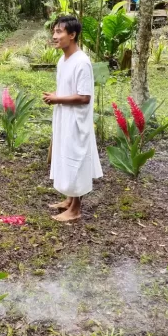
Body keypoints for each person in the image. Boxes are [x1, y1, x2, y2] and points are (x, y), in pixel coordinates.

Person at [43, 14, 103, 222]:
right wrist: (57, 97)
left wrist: (57, 98)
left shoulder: (82, 62)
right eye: (54, 31)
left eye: (59, 32)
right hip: (64, 116)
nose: (54, 36)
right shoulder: (63, 60)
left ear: (72, 34)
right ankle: (69, 199)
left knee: (75, 158)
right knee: (64, 155)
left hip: (76, 120)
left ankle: (76, 209)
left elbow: (84, 97)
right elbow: (68, 89)